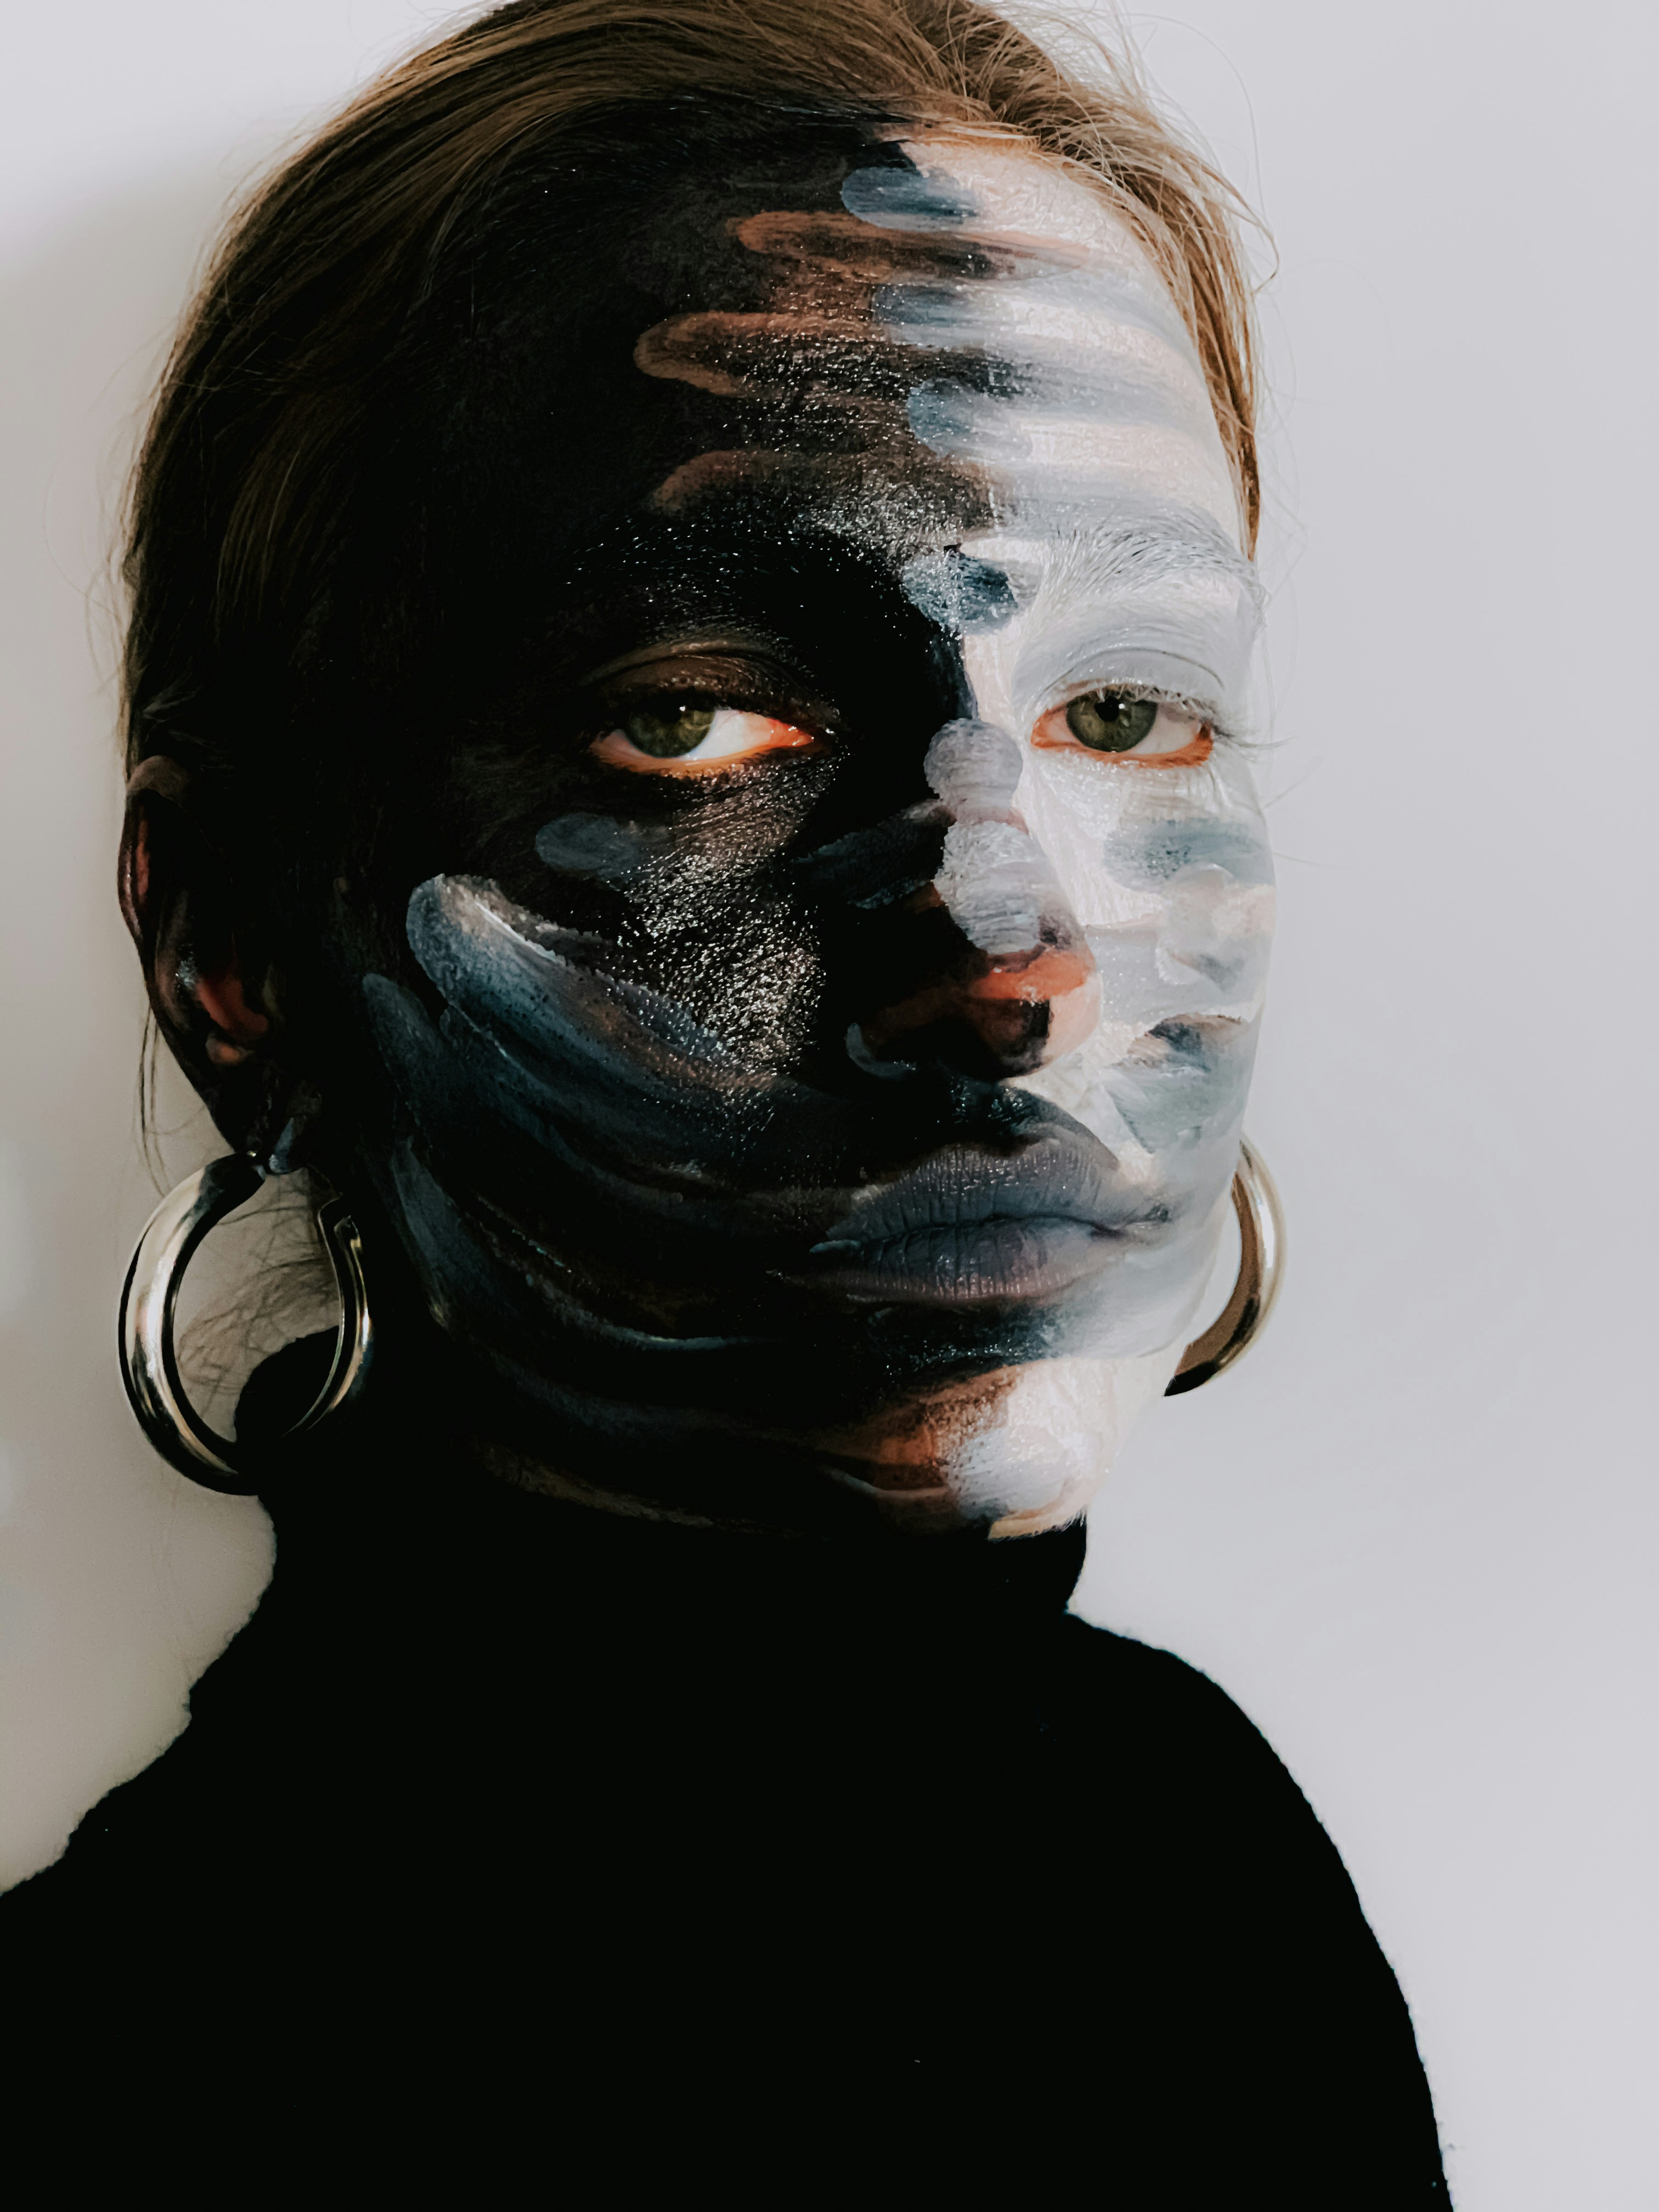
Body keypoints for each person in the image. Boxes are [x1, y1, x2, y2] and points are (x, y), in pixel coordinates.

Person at [8, 1, 1446, 2190]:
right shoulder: (115, 2085)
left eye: (1133, 707)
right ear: (233, 947)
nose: (1012, 953)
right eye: (697, 723)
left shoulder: (1199, 1885)